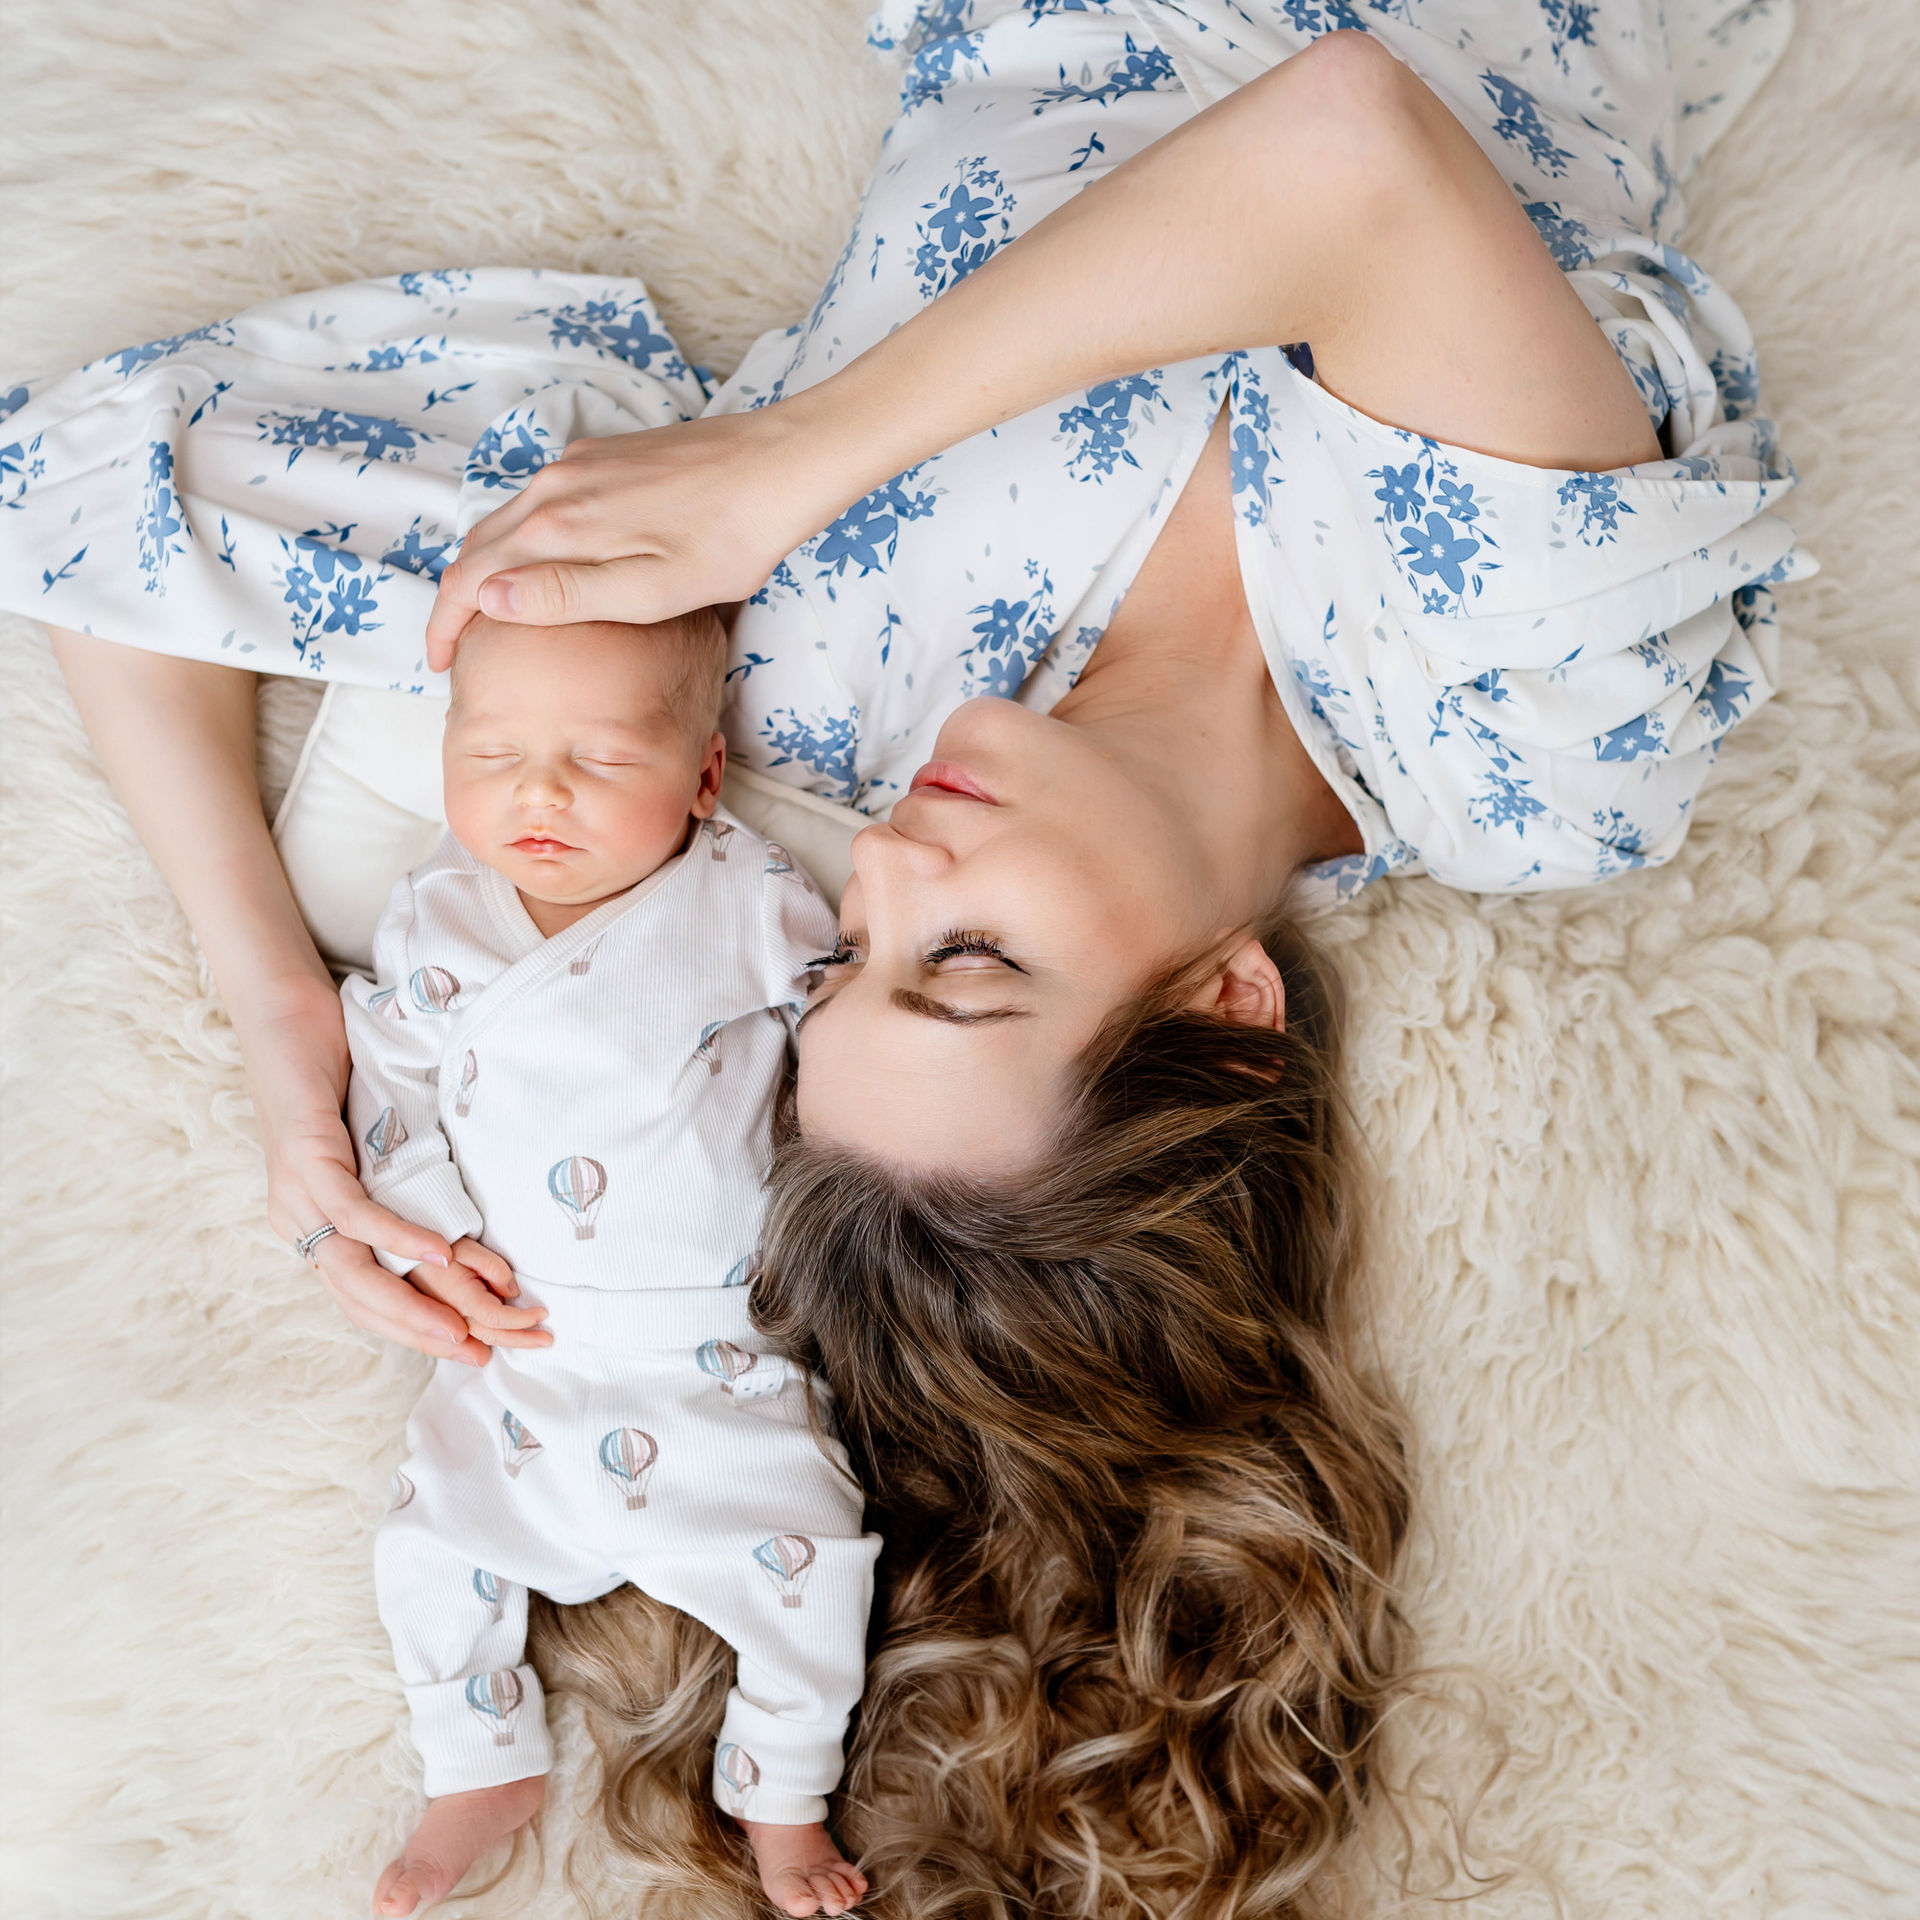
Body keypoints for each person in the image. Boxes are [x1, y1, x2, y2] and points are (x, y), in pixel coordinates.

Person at [0, 0, 1808, 1901]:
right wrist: (790, 460)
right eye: (966, 965)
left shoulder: (798, 681)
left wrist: (283, 1006)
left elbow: (97, 490)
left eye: (847, 960)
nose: (884, 865)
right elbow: (1353, 147)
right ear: (1226, 1009)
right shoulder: (1533, 746)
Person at [344, 609, 874, 1917]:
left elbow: (846, 1026)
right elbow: (388, 1092)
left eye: (601, 758)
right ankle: (478, 1760)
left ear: (702, 775)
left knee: (816, 1556)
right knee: (430, 1543)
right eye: (496, 752)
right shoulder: (436, 918)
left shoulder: (741, 896)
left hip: (716, 1349)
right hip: (515, 1339)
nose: (540, 791)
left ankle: (783, 1796)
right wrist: (423, 1229)